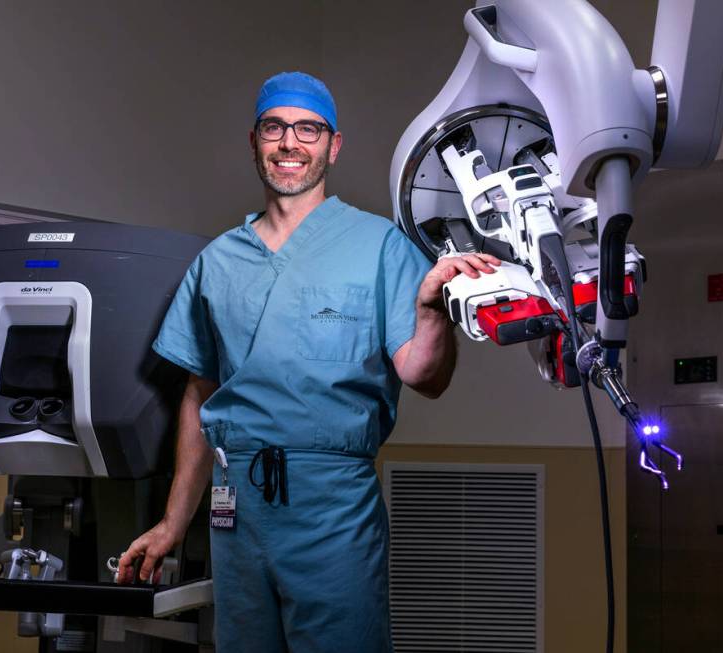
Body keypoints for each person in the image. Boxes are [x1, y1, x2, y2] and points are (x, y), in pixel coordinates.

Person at [115, 71, 500, 652]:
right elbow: (200, 395)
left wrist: (431, 313)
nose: (290, 143)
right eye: (275, 127)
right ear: (255, 142)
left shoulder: (380, 246)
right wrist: (174, 522)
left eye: (308, 129)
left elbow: (425, 376)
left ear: (332, 145)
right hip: (236, 509)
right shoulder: (218, 261)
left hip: (333, 506)